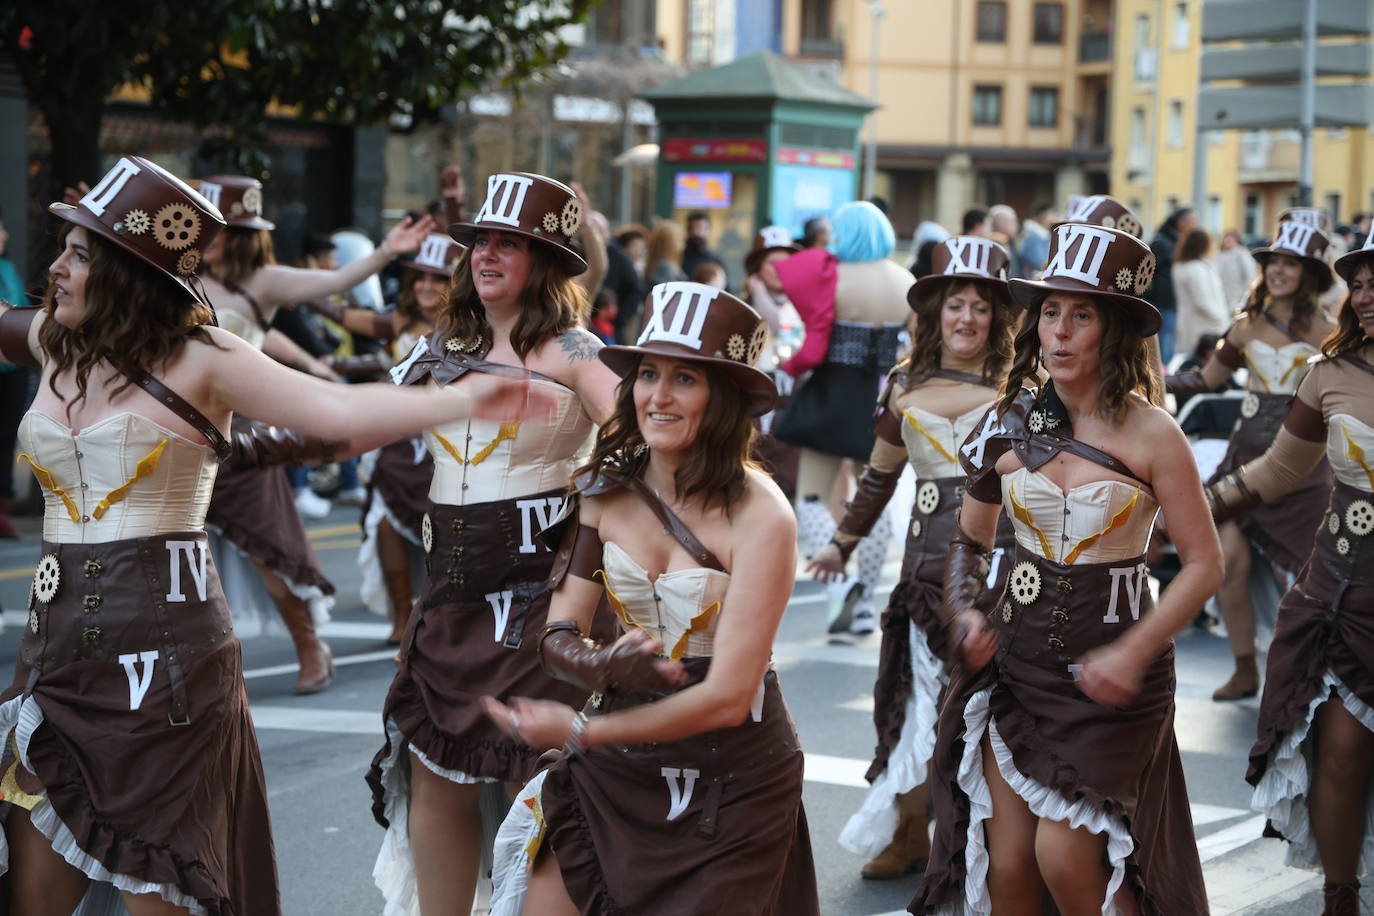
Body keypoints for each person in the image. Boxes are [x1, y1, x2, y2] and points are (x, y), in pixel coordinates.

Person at [0, 156, 545, 916]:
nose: (54, 268)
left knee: (162, 882)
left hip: (164, 666)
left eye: (79, 254)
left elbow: (342, 417)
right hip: (52, 658)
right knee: (30, 895)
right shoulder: (53, 341)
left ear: (127, 270)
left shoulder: (204, 357)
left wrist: (464, 401)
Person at [912, 222, 1220, 915]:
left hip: (1114, 684)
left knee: (1073, 864)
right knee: (1010, 870)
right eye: (1050, 310)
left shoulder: (1154, 433)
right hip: (1017, 670)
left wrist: (1133, 651)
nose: (1061, 329)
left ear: (1115, 330)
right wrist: (964, 612)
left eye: (1082, 313)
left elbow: (1205, 565)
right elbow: (968, 543)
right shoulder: (1008, 422)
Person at [484, 281, 818, 915]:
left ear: (722, 399)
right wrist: (605, 665)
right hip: (622, 761)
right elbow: (558, 634)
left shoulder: (762, 515)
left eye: (685, 379)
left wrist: (585, 730)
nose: (658, 396)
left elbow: (725, 698)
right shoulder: (603, 491)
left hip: (733, 778)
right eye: (648, 374)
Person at [366, 171, 622, 916]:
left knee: (532, 783)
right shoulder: (443, 344)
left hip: (540, 605)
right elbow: (363, 415)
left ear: (545, 262)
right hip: (448, 602)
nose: (488, 255)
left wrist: (598, 529)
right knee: (436, 769)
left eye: (511, 244)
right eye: (482, 240)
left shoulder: (574, 350)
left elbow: (634, 446)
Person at [808, 236, 1019, 881]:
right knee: (914, 706)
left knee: (993, 712)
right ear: (935, 311)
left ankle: (982, 845)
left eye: (981, 308)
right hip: (924, 570)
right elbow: (877, 478)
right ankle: (906, 834)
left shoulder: (1025, 387)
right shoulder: (903, 383)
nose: (966, 318)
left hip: (1004, 568)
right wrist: (841, 542)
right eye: (955, 304)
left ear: (998, 319)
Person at [196, 173, 434, 692]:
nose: (202, 237)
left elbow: (331, 285)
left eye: (213, 228)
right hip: (178, 433)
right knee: (178, 555)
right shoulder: (177, 275)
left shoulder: (264, 280)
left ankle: (310, 647)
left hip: (243, 437)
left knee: (267, 551)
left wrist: (386, 252)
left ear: (237, 235)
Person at [1208, 226, 1374, 916]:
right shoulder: (1331, 374)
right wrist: (1188, 505)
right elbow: (1278, 470)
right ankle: (1341, 895)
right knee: (1337, 752)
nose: (1366, 294)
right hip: (1341, 588)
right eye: (1359, 282)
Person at [1167, 216, 1337, 700]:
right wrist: (1147, 380)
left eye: (1292, 263)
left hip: (1304, 471)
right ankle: (1245, 668)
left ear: (1310, 272)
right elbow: (1205, 380)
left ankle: (1312, 673)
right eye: (1275, 261)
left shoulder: (1329, 332)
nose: (1280, 270)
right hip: (1243, 462)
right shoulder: (1245, 326)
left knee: (1306, 579)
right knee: (1229, 563)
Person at [308, 232, 461, 644]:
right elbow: (344, 319)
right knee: (383, 519)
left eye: (438, 279)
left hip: (445, 443)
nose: (426, 287)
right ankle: (400, 615)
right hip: (394, 437)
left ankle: (441, 611)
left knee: (446, 530)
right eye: (420, 278)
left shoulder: (471, 329)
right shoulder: (400, 321)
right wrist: (302, 292)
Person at [774, 201, 914, 635]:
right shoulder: (905, 280)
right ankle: (865, 605)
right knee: (873, 499)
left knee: (812, 497)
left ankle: (843, 585)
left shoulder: (833, 278)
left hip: (833, 394)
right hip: (881, 397)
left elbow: (813, 349)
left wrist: (788, 366)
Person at [0, 207, 29, 539]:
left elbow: (19, 307)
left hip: (12, 368)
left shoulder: (8, 267)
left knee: (7, 437)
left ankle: (2, 509)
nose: (5, 235)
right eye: (0, 229)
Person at [1145, 206, 1200, 362]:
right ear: (1181, 224)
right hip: (1163, 305)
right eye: (1193, 221)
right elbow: (1148, 273)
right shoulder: (1162, 243)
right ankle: (1160, 384)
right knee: (1162, 353)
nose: (1196, 225)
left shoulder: (1176, 243)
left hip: (1172, 304)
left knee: (1168, 350)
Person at [1173, 226, 1231, 359]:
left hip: (1195, 325)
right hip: (1204, 328)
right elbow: (1202, 302)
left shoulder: (1184, 265)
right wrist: (1222, 320)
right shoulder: (1195, 269)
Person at [1215, 228, 1258, 311]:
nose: (1228, 242)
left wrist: (1245, 295)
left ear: (1236, 241)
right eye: (1226, 239)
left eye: (1231, 240)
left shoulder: (1242, 254)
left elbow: (1250, 274)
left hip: (1236, 297)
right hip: (1220, 297)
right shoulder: (1219, 255)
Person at [681, 211, 725, 281]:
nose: (695, 232)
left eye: (699, 228)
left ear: (708, 230)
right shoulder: (679, 259)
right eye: (691, 228)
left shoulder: (715, 261)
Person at [1017, 203, 1055, 278]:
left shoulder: (1040, 235)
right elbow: (1041, 264)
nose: (1055, 219)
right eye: (1053, 215)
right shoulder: (1033, 237)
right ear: (1043, 217)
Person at [647, 220, 688, 288]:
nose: (684, 246)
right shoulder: (664, 266)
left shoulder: (668, 264)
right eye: (681, 240)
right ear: (671, 244)